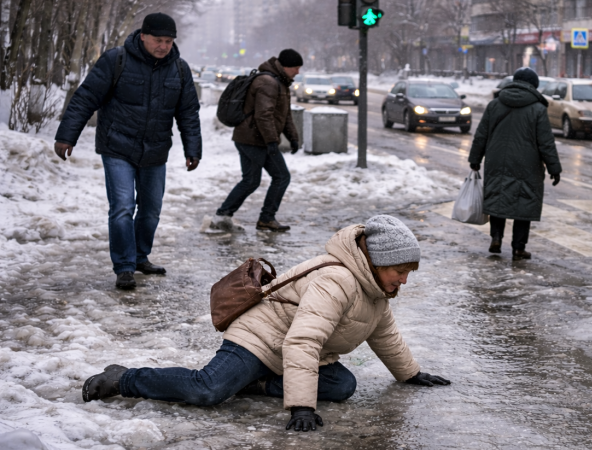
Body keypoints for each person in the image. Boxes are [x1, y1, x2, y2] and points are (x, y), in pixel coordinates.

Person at [81, 215, 450, 432]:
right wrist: (301, 406)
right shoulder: (336, 281)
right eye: (400, 272)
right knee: (209, 391)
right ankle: (124, 378)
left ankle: (254, 384)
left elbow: (384, 334)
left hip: (292, 354)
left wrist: (410, 374)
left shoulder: (373, 290)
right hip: (257, 339)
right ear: (377, 261)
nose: (403, 281)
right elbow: (303, 343)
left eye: (407, 274)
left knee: (343, 385)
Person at [54, 13, 202, 290]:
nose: (163, 46)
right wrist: (66, 136)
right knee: (122, 207)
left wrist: (193, 147)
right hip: (117, 146)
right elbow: (86, 98)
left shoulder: (179, 69)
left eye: (169, 41)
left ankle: (139, 256)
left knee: (151, 211)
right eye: (158, 40)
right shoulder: (116, 60)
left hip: (156, 150)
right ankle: (124, 266)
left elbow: (188, 113)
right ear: (143, 36)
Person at [468, 67, 562, 261]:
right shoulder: (537, 108)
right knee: (524, 204)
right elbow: (545, 142)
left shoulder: (495, 104)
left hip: (497, 160)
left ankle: (496, 237)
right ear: (534, 86)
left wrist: (475, 159)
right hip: (527, 164)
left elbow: (481, 135)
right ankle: (519, 248)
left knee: (498, 198)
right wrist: (554, 168)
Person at [211, 49, 302, 233]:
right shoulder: (268, 82)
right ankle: (264, 218)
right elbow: (263, 115)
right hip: (253, 139)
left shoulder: (281, 82)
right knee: (280, 176)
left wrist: (293, 137)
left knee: (252, 180)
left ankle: (225, 215)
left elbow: (285, 116)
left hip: (253, 138)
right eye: (295, 67)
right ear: (285, 66)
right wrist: (271, 142)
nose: (298, 72)